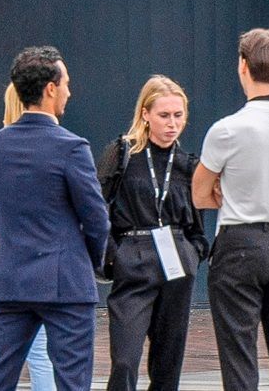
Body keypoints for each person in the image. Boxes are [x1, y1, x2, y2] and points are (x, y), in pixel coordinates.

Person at [0, 46, 110, 391]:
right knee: (72, 380)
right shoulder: (71, 147)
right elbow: (96, 218)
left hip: (12, 278)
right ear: (50, 89)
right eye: (65, 83)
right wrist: (91, 261)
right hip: (66, 280)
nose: (69, 90)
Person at [195, 28, 269, 391]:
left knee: (239, 354)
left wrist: (227, 191)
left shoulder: (228, 129)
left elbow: (200, 194)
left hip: (241, 240)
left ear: (242, 66)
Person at [99, 75, 203, 391]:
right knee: (124, 361)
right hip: (134, 256)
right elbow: (98, 206)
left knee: (168, 363)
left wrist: (193, 254)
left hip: (176, 257)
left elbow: (197, 223)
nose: (172, 124)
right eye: (164, 115)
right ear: (145, 114)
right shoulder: (122, 154)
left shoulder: (188, 163)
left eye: (178, 115)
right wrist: (115, 256)